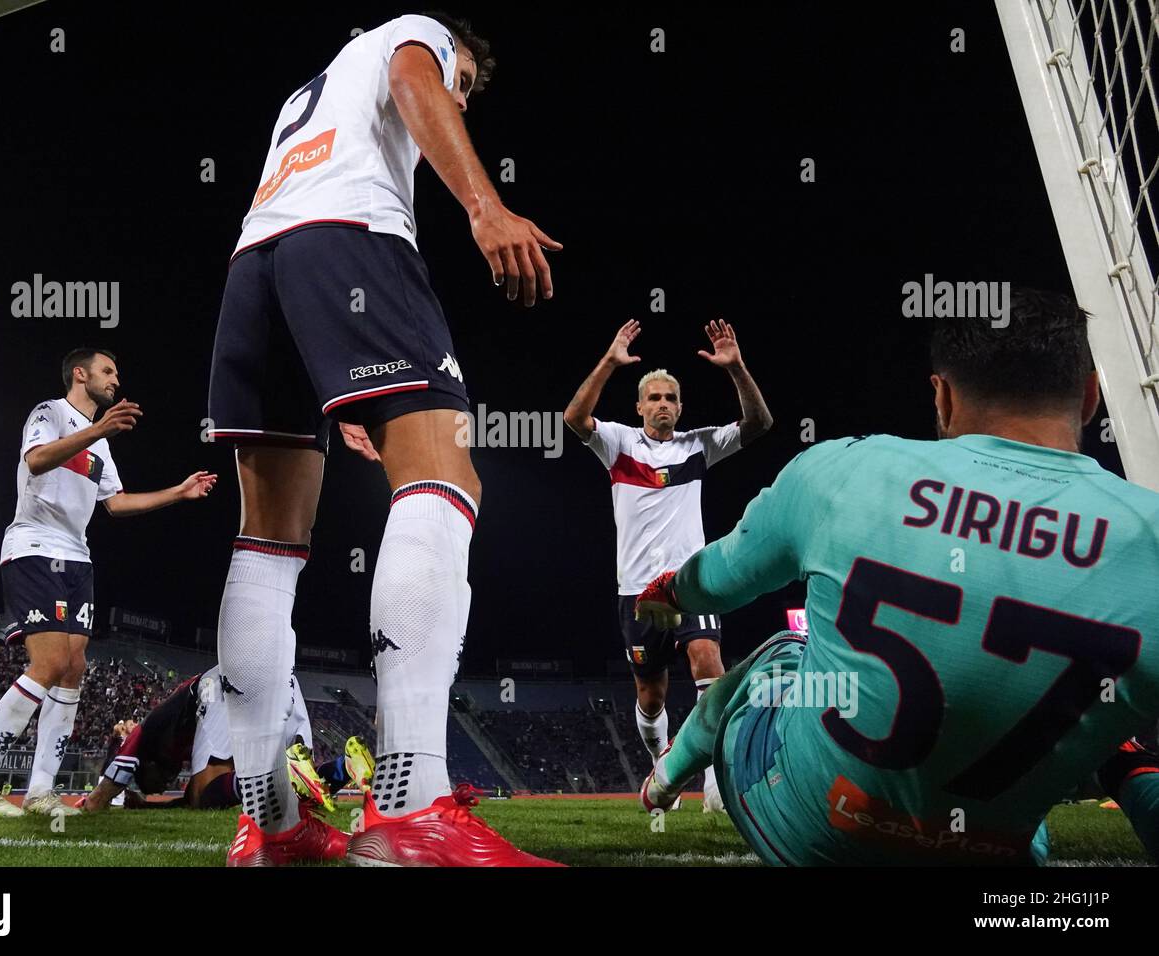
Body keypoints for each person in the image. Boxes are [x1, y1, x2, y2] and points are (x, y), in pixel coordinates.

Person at [207, 11, 560, 866]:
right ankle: (413, 807)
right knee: (446, 478)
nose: (458, 100)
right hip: (351, 239)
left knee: (266, 542)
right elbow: (414, 78)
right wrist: (484, 205)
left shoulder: (308, 90)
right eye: (464, 83)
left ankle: (272, 825)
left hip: (255, 267)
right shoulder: (417, 32)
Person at [637, 289, 1159, 864]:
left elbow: (717, 581)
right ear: (1090, 396)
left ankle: (667, 776)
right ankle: (1125, 765)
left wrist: (668, 591)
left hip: (813, 830)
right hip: (986, 851)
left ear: (942, 395)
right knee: (1091, 737)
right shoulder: (1150, 535)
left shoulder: (845, 469)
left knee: (783, 652)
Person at [0, 349, 216, 817]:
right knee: (48, 663)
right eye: (107, 371)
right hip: (35, 547)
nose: (115, 380)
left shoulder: (102, 446)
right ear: (80, 373)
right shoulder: (50, 412)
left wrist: (179, 492)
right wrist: (98, 429)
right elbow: (36, 461)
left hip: (77, 558)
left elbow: (117, 504)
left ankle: (40, 792)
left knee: (73, 668)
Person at [564, 319, 771, 809]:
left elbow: (759, 425)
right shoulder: (617, 443)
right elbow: (574, 418)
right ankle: (663, 765)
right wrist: (610, 363)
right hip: (636, 593)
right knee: (651, 695)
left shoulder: (697, 445)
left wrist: (738, 368)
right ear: (639, 407)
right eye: (654, 397)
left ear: (681, 408)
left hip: (688, 582)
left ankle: (718, 785)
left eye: (670, 398)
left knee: (709, 665)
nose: (662, 404)